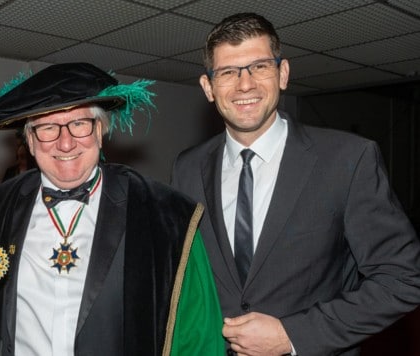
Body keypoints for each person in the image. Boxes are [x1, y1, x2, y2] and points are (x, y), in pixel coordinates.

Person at [171, 12, 420, 356]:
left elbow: (403, 280)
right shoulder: (187, 167)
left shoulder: (349, 159)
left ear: (283, 74)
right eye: (228, 72)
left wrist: (292, 335)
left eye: (260, 66)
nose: (245, 84)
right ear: (208, 87)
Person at [0, 62, 223, 355]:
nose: (66, 141)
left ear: (100, 132)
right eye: (47, 127)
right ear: (30, 142)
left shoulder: (167, 216)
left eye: (80, 124)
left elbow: (197, 338)